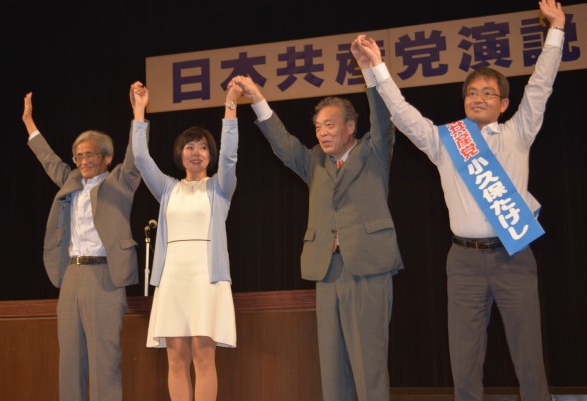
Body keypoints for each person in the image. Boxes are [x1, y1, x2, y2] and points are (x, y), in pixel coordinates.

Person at [355, 1, 565, 399]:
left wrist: (555, 30)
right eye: (471, 92)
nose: (478, 97)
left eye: (488, 93)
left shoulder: (518, 134)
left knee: (528, 356)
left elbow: (540, 85)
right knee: (464, 359)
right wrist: (378, 65)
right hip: (464, 261)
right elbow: (400, 112)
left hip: (513, 256)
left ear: (504, 104)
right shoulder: (446, 141)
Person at [232, 45, 404, 401]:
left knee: (369, 366)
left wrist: (371, 70)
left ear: (350, 126)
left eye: (330, 125)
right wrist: (259, 99)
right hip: (327, 270)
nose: (322, 132)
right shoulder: (314, 162)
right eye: (318, 127)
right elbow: (282, 144)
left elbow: (383, 118)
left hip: (368, 267)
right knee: (332, 367)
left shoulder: (374, 151)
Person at [22, 92, 142, 401]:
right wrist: (29, 124)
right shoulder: (71, 181)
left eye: (90, 155)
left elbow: (135, 157)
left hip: (104, 277)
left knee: (104, 362)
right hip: (71, 277)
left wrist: (139, 112)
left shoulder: (120, 182)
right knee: (70, 361)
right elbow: (48, 159)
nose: (83, 161)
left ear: (106, 157)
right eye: (78, 156)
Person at [130, 80, 241, 401]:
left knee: (204, 359)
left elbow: (231, 157)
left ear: (210, 154)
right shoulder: (167, 189)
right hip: (173, 279)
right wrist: (139, 110)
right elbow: (140, 158)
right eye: (190, 147)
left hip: (207, 280)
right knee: (176, 360)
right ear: (180, 153)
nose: (196, 152)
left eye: (203, 147)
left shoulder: (220, 188)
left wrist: (231, 106)